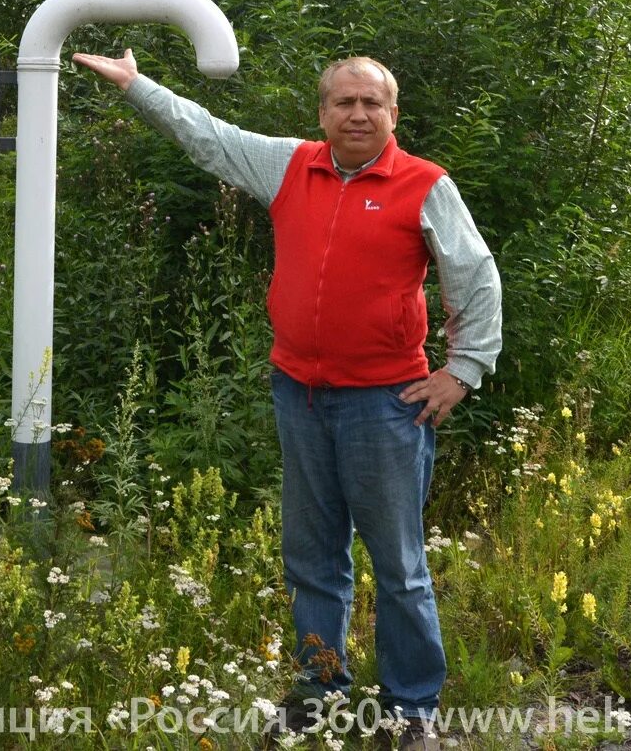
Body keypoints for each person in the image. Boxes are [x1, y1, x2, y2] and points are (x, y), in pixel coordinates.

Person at [72, 49, 502, 749]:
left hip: (386, 403)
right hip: (299, 392)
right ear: (323, 112)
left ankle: (410, 707)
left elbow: (474, 275)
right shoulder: (289, 165)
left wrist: (465, 368)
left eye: (372, 103)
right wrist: (136, 84)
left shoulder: (425, 184)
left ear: (394, 113)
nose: (358, 114)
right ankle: (321, 690)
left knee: (398, 564)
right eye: (344, 102)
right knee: (311, 556)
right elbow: (207, 134)